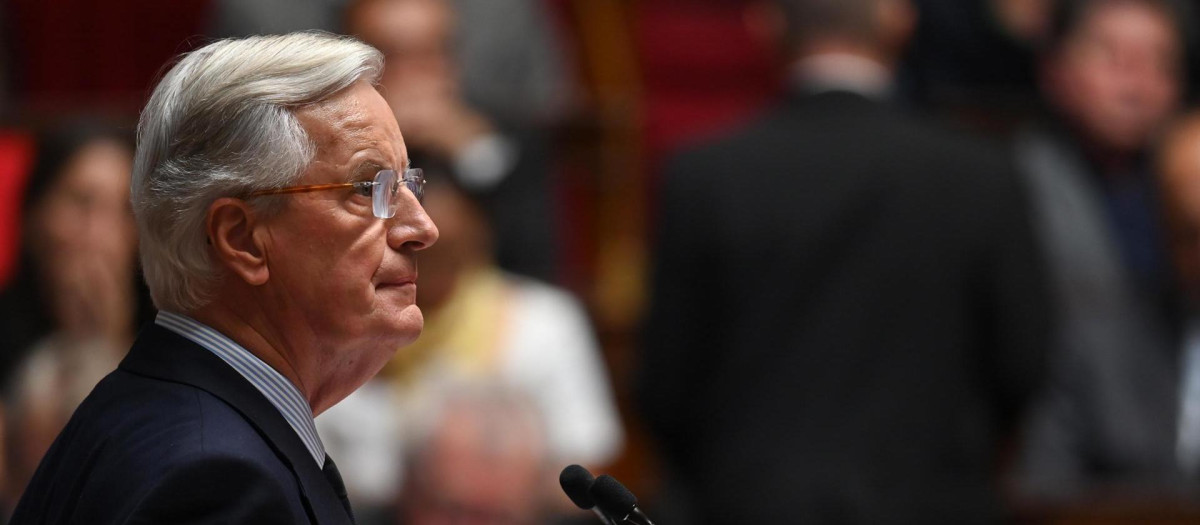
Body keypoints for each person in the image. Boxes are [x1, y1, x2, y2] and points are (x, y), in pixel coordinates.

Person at [638, 0, 1050, 523]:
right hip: (932, 505)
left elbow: (667, 387)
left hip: (753, 508)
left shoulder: (705, 178)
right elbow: (1024, 363)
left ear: (767, 24)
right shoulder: (980, 175)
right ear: (900, 20)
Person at [10, 32, 438, 524]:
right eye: (369, 189)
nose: (422, 229)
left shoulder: (161, 417)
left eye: (408, 185)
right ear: (241, 239)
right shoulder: (217, 479)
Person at [1012, 0, 1188, 498]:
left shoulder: (1183, 186)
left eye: (1160, 62)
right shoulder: (1013, 189)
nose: (1137, 83)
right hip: (1053, 474)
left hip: (1173, 474)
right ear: (1055, 71)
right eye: (1111, 56)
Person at [0, 121, 150, 511]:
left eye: (123, 211)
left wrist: (108, 342)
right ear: (35, 216)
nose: (101, 232)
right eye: (82, 202)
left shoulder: (165, 340)